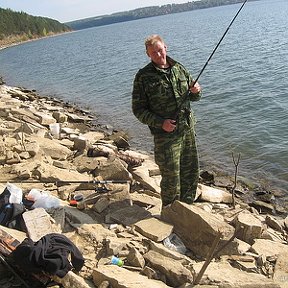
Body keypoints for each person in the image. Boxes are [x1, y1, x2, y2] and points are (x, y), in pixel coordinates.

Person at [132, 34, 202, 208]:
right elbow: (138, 110)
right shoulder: (143, 77)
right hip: (165, 136)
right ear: (148, 55)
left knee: (191, 172)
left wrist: (196, 91)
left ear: (166, 48)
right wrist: (160, 122)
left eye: (160, 50)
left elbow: (195, 97)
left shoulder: (179, 68)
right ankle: (169, 212)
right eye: (153, 53)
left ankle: (187, 209)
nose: (158, 55)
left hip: (187, 130)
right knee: (171, 177)